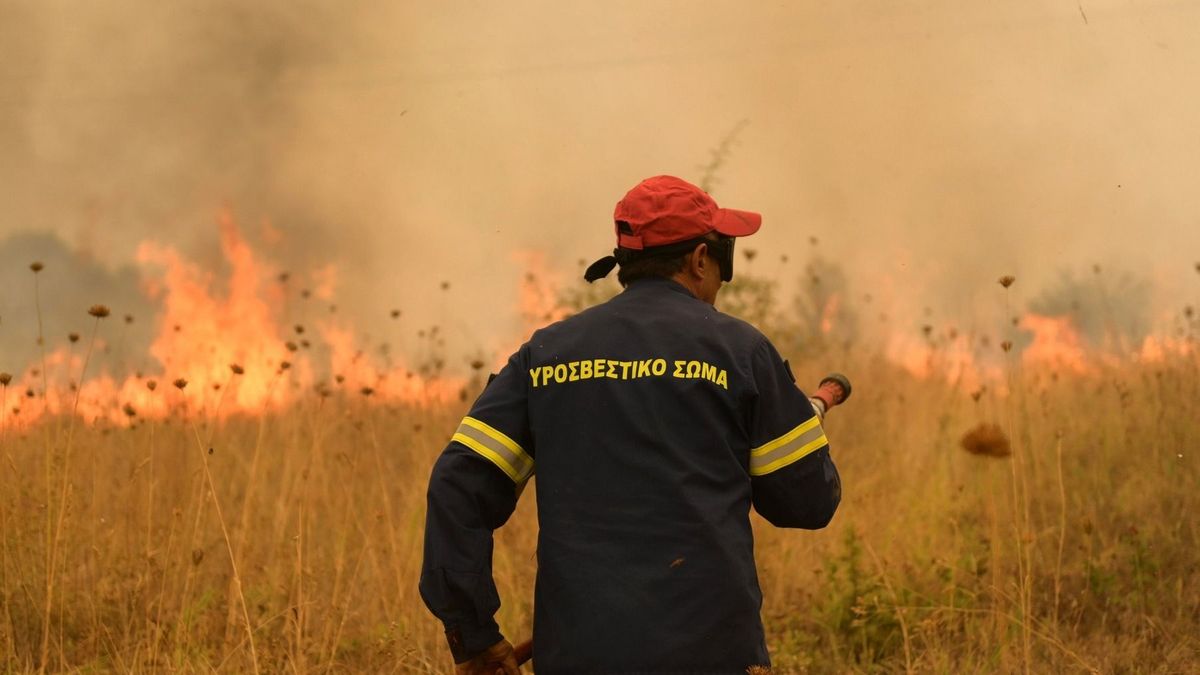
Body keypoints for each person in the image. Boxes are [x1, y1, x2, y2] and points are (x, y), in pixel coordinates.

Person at [420, 175, 842, 674]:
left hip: (578, 656)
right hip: (711, 655)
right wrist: (800, 427)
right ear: (701, 259)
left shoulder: (545, 355)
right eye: (725, 257)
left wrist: (472, 634)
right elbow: (807, 504)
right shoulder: (741, 352)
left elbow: (456, 488)